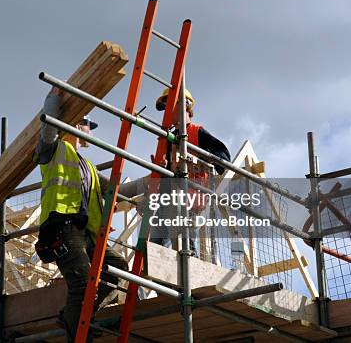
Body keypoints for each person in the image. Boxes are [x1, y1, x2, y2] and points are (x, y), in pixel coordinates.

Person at [33, 88, 128, 342]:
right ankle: (78, 334)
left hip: (85, 232)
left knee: (119, 268)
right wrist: (53, 99)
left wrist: (155, 184)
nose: (90, 130)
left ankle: (79, 317)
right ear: (75, 122)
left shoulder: (87, 167)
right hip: (62, 226)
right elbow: (48, 128)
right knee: (82, 285)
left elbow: (117, 190)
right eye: (87, 124)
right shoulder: (53, 150)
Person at [150, 87, 231, 250]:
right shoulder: (168, 138)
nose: (166, 113)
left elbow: (224, 157)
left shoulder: (196, 132)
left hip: (190, 200)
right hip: (167, 199)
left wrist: (200, 160)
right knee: (156, 248)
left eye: (169, 107)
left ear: (184, 106)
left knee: (186, 247)